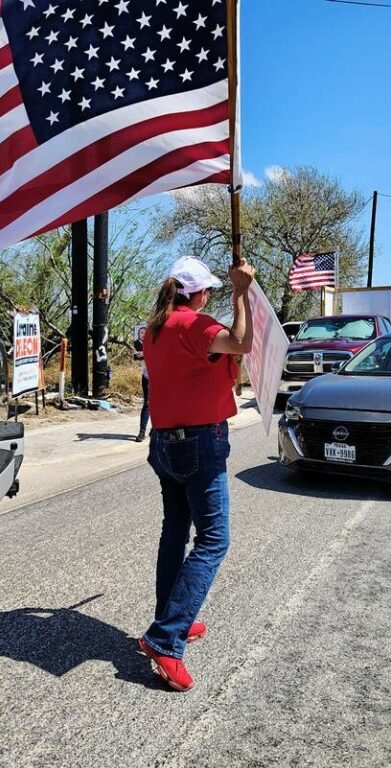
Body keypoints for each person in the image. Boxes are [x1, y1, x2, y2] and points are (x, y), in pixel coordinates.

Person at [138, 255, 255, 692]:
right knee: (214, 539)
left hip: (165, 441)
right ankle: (165, 637)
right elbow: (240, 342)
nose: (210, 296)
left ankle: (170, 618)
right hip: (199, 441)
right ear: (198, 293)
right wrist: (241, 291)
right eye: (209, 290)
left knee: (175, 531)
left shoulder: (155, 329)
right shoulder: (193, 324)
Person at [133, 324, 149, 442]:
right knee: (147, 403)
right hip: (147, 377)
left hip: (161, 377)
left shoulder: (158, 343)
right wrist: (137, 354)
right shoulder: (139, 344)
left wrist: (146, 353)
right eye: (141, 333)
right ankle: (142, 431)